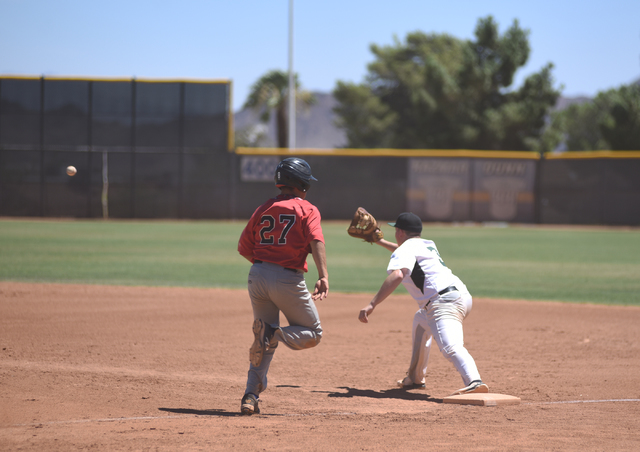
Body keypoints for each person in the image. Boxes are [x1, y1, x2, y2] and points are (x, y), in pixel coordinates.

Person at [358, 212, 488, 396]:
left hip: (443, 303)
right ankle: (415, 378)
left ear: (401, 232)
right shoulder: (427, 245)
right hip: (462, 296)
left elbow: (397, 274)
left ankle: (474, 380)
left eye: (396, 229)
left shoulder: (404, 250)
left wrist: (372, 304)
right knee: (420, 322)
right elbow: (403, 252)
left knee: (450, 346)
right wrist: (380, 242)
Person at [237, 157, 329, 415]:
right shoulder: (307, 208)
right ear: (301, 183)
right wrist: (323, 275)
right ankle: (274, 333)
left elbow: (244, 247)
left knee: (262, 341)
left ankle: (250, 395)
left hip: (257, 274)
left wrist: (264, 266)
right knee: (313, 333)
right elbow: (316, 240)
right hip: (287, 278)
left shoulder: (263, 208)